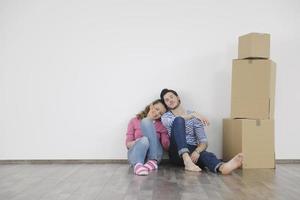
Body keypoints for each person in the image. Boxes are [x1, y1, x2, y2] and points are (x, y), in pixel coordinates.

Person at [160, 88, 243, 174]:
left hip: (192, 150)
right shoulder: (166, 117)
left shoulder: (195, 117)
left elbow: (203, 142)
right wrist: (192, 115)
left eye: (171, 97)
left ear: (178, 98)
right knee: (178, 120)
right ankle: (186, 160)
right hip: (176, 151)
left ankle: (222, 168)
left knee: (205, 155)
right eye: (167, 100)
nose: (170, 100)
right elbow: (177, 120)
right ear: (166, 104)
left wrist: (197, 151)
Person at [125, 99, 170, 176]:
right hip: (135, 156)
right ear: (151, 105)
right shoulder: (134, 121)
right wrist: (139, 141)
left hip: (156, 157)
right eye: (156, 109)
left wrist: (168, 127)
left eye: (160, 113)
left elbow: (166, 146)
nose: (157, 113)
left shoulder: (161, 125)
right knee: (145, 139)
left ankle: (152, 160)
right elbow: (128, 145)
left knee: (147, 126)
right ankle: (138, 165)